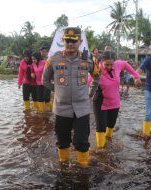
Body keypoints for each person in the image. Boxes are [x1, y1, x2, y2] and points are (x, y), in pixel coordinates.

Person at [42, 27, 100, 166]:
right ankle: (63, 166)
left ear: (80, 42)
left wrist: (90, 94)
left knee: (82, 141)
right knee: (62, 141)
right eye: (67, 40)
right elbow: (44, 80)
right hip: (62, 109)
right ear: (63, 41)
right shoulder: (53, 59)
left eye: (74, 41)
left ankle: (83, 168)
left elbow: (97, 77)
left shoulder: (89, 59)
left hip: (82, 109)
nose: (70, 44)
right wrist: (58, 91)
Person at [91, 51, 141, 148]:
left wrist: (136, 76)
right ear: (101, 62)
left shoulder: (118, 65)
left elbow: (126, 64)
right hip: (100, 102)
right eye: (106, 64)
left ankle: (108, 142)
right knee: (101, 127)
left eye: (111, 64)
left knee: (111, 125)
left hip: (114, 102)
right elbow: (87, 82)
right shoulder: (96, 70)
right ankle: (101, 150)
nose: (109, 67)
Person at [40, 46, 52, 111]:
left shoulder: (49, 60)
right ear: (40, 52)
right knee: (41, 97)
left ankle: (51, 110)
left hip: (48, 81)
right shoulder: (38, 60)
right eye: (42, 52)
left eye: (45, 52)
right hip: (40, 82)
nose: (43, 53)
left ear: (47, 52)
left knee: (47, 98)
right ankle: (43, 111)